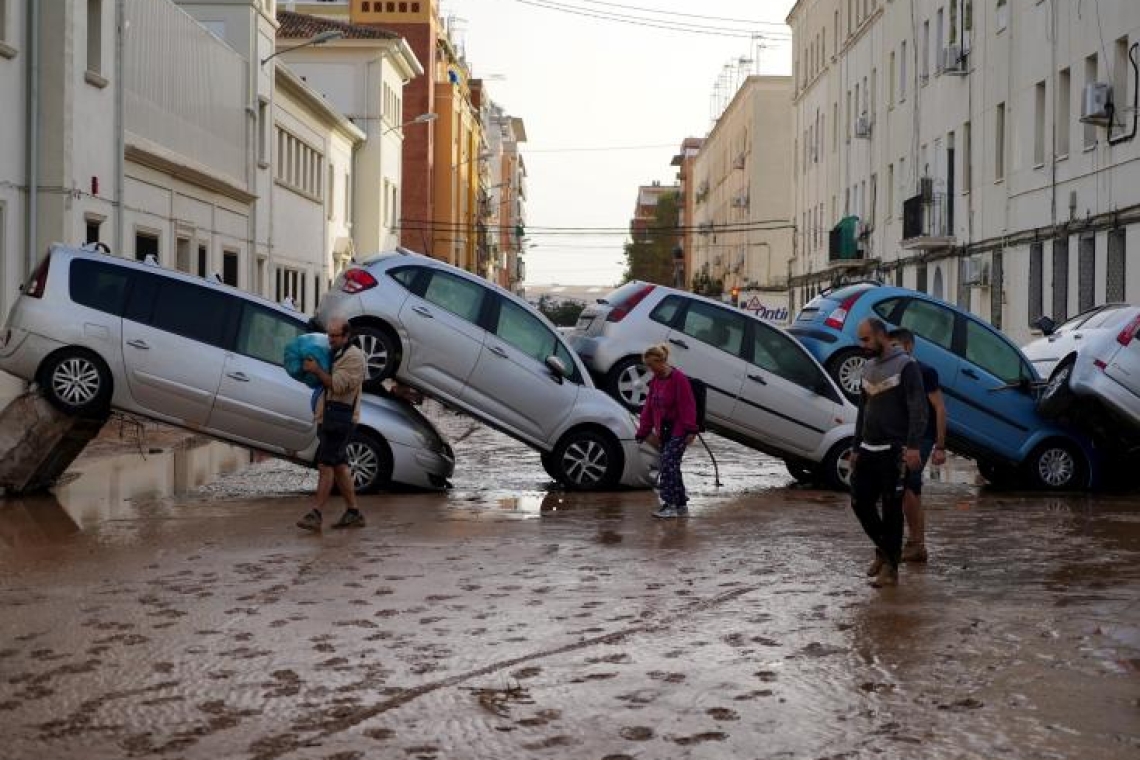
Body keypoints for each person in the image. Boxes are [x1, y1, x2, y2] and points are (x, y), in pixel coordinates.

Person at [850, 318, 928, 587]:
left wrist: (914, 447)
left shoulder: (907, 366)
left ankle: (891, 569)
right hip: (868, 449)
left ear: (881, 336)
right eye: (860, 340)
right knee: (860, 503)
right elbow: (862, 410)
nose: (862, 346)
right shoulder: (868, 367)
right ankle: (885, 551)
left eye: (866, 340)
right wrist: (855, 447)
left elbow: (919, 409)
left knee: (892, 509)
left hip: (895, 451)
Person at [296, 317, 367, 531]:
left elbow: (338, 385)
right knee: (339, 466)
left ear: (347, 336)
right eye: (329, 335)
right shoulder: (335, 353)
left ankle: (315, 514)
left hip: (341, 420)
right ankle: (353, 513)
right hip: (329, 417)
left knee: (325, 464)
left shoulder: (354, 358)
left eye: (335, 336)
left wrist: (317, 370)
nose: (330, 339)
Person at [888, 327, 948, 563]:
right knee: (905, 490)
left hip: (922, 437)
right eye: (889, 347)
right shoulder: (891, 372)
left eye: (896, 347)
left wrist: (940, 446)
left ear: (909, 347)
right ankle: (915, 544)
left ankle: (916, 544)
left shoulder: (925, 372)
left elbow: (940, 408)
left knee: (910, 486)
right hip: (900, 437)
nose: (891, 351)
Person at [635, 343, 698, 519]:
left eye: (652, 365)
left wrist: (691, 430)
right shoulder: (655, 380)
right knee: (672, 466)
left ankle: (669, 505)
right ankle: (681, 506)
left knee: (668, 463)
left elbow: (688, 406)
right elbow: (648, 408)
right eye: (648, 366)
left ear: (661, 361)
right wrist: (643, 431)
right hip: (664, 431)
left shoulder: (679, 379)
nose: (650, 369)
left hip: (680, 430)